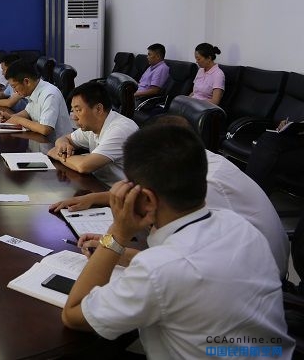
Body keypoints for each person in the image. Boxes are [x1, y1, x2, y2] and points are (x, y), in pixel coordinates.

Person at [60, 125, 293, 359]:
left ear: (147, 198)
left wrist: (116, 234)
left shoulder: (158, 271)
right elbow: (196, 266)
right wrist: (122, 253)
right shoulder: (239, 226)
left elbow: (73, 315)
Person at [50, 115, 289, 278]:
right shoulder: (196, 163)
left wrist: (114, 243)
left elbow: (175, 263)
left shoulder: (205, 186)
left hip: (251, 277)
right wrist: (96, 198)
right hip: (237, 263)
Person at [47, 81, 138, 183]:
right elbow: (65, 139)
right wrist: (62, 144)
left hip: (120, 194)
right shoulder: (92, 125)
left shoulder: (120, 130)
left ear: (98, 109)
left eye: (78, 110)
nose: (74, 117)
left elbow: (84, 166)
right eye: (73, 110)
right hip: (98, 183)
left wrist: (59, 155)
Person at [0, 59, 74, 141]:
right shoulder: (33, 90)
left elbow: (45, 129)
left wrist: (18, 120)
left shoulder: (50, 94)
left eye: (14, 86)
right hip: (40, 142)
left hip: (57, 146)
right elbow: (28, 112)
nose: (15, 91)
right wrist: (11, 117)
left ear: (26, 81)